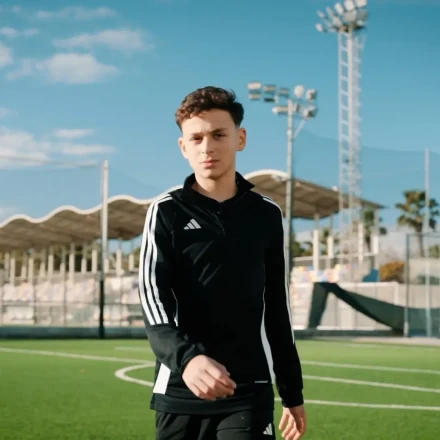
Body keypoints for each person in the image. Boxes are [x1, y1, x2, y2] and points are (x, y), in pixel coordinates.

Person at [138, 86, 306, 440]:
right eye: (196, 138)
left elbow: (277, 307)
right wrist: (187, 359)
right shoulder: (165, 212)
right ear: (183, 147)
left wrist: (292, 390)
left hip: (249, 388)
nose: (207, 147)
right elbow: (154, 304)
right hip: (181, 389)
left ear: (239, 138)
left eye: (218, 135)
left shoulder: (266, 215)